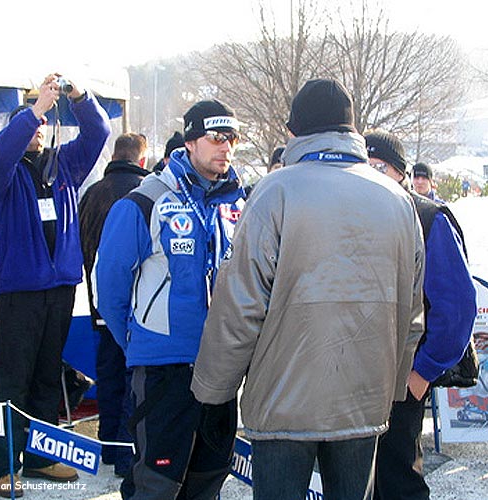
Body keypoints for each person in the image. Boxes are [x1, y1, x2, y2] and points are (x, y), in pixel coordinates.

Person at [190, 79, 425, 500]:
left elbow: (240, 305)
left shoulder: (274, 192)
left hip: (284, 404)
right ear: (350, 130)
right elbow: (410, 311)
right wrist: (389, 391)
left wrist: (213, 392)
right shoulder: (397, 200)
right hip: (363, 399)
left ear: (295, 131)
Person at [95, 100, 245, 499]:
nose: (225, 147)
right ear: (191, 142)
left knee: (208, 478)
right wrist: (138, 340)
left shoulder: (234, 204)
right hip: (165, 368)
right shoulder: (145, 201)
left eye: (231, 138)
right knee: (156, 485)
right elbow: (109, 286)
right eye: (216, 138)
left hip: (220, 367)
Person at [0, 73, 110, 497]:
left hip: (60, 286)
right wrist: (35, 106)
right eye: (30, 124)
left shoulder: (64, 164)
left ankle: (39, 456)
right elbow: (1, 152)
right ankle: (1, 465)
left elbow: (99, 132)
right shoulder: (1, 172)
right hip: (20, 291)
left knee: (46, 377)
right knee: (13, 378)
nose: (37, 130)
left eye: (40, 123)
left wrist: (78, 96)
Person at [365, 129, 477, 500]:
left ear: (401, 173)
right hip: (353, 374)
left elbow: (457, 307)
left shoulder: (429, 218)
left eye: (381, 166)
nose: (372, 173)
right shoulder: (353, 212)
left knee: (397, 479)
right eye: (365, 165)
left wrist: (422, 372)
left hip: (404, 376)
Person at [78, 132, 150, 476]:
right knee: (132, 381)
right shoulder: (146, 194)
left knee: (107, 377)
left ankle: (109, 446)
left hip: (98, 303)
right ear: (141, 159)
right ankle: (126, 454)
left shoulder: (92, 193)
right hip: (137, 305)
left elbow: (80, 243)